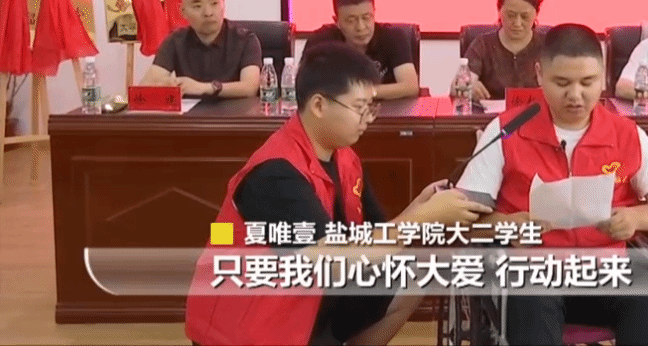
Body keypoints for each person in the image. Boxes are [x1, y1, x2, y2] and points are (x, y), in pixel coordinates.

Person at [185, 42, 491, 346]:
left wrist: (420, 206)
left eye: (372, 106)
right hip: (251, 328)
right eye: (359, 107)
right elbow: (329, 263)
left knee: (413, 272)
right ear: (319, 106)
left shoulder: (344, 158)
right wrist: (423, 218)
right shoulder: (275, 173)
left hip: (306, 302)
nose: (369, 118)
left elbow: (375, 240)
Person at [456, 24, 648, 346]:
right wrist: (508, 225)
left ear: (603, 77)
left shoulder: (626, 134)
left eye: (587, 82)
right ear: (540, 74)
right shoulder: (507, 131)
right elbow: (463, 220)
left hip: (608, 269)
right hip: (535, 271)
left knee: (646, 288)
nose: (576, 95)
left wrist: (635, 218)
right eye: (562, 83)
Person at [140, 0, 261, 98]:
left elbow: (250, 88)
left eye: (214, 3)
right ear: (183, 11)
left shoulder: (245, 39)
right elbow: (146, 86)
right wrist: (167, 84)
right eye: (197, 6)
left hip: (235, 110)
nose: (208, 13)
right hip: (190, 110)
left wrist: (202, 88)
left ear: (223, 4)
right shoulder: (175, 40)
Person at [302, 0, 419, 100]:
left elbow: (410, 86)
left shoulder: (393, 37)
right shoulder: (321, 42)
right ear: (337, 21)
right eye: (351, 21)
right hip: (338, 110)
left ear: (374, 13)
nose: (361, 27)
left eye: (366, 17)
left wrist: (361, 93)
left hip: (388, 109)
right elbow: (305, 86)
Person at [459, 0, 546, 100]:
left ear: (536, 14)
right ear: (499, 11)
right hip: (491, 111)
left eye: (525, 16)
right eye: (511, 15)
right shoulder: (483, 45)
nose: (517, 23)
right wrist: (468, 85)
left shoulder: (548, 45)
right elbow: (460, 84)